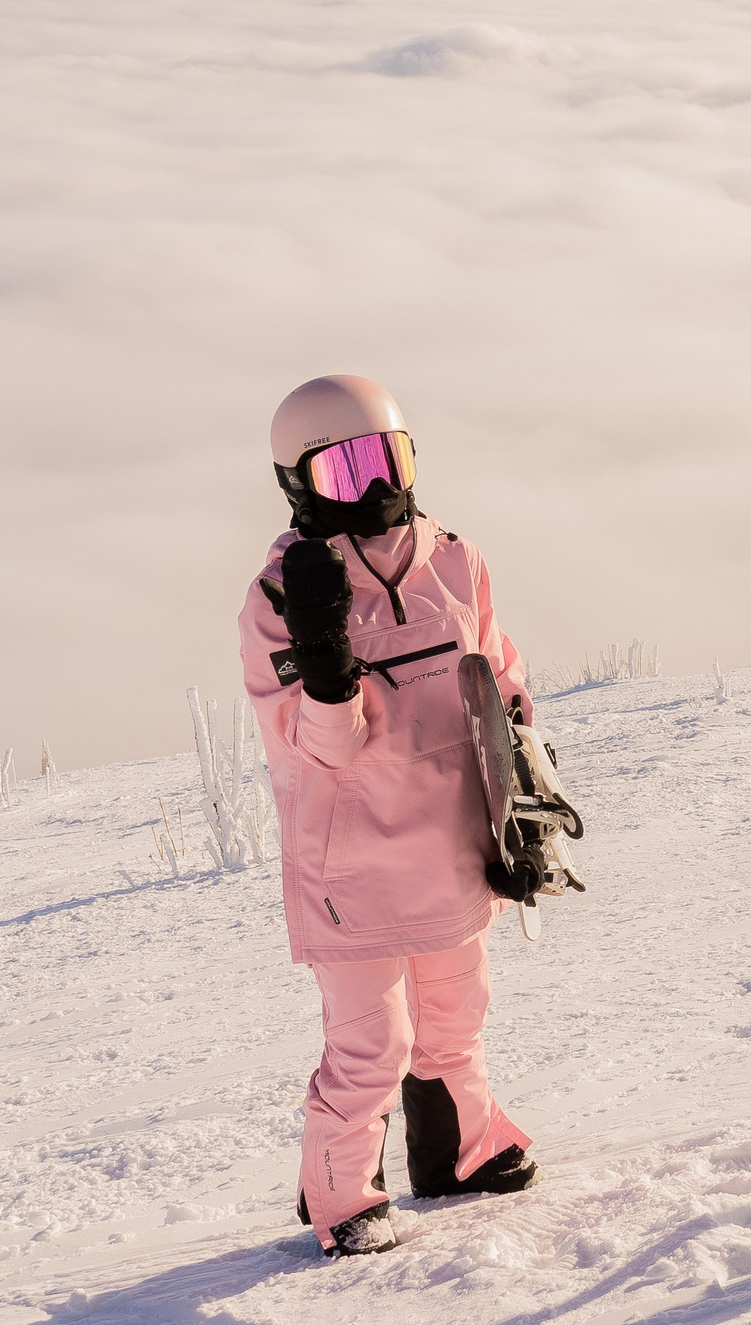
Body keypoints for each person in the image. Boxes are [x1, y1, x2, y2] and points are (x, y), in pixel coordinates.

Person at [238, 374, 540, 1257]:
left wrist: (520, 794)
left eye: (389, 460)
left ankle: (460, 1147)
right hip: (352, 860)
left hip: (452, 835)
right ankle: (339, 1192)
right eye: (347, 470)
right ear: (300, 483)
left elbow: (498, 675)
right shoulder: (278, 597)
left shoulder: (454, 559)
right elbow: (316, 749)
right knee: (374, 1038)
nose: (375, 490)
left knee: (454, 1010)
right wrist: (328, 672)